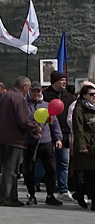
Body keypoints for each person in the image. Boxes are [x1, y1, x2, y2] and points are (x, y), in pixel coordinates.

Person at [0, 76, 41, 207]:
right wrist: (35, 128)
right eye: (29, 88)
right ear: (25, 87)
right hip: (14, 139)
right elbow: (23, 120)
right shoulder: (19, 99)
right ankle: (5, 197)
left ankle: (12, 197)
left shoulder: (4, 96)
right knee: (11, 170)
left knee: (7, 169)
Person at [24, 81, 63, 206]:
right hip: (29, 142)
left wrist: (58, 138)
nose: (36, 93)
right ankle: (31, 195)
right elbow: (22, 122)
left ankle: (50, 195)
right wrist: (33, 133)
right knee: (29, 170)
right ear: (30, 91)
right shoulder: (24, 105)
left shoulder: (47, 106)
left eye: (38, 91)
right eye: (33, 91)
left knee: (51, 169)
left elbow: (54, 123)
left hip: (46, 141)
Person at [41, 70, 76, 202]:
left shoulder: (68, 96)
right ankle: (36, 184)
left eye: (65, 80)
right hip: (49, 133)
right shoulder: (46, 95)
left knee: (63, 162)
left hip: (65, 134)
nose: (64, 82)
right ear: (55, 81)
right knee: (46, 163)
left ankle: (63, 189)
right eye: (61, 80)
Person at [71, 84, 95, 210]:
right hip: (86, 146)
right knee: (89, 173)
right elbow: (78, 128)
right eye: (91, 94)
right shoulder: (79, 108)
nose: (94, 96)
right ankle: (83, 195)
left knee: (91, 174)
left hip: (93, 145)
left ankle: (82, 194)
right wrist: (82, 145)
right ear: (84, 96)